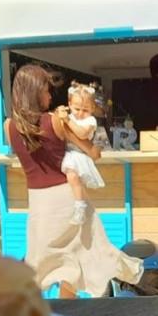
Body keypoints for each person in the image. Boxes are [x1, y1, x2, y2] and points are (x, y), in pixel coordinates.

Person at [5, 64, 142, 298]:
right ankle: (69, 311)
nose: (50, 96)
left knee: (41, 262)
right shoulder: (56, 121)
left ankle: (33, 313)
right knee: (80, 255)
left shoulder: (9, 126)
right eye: (46, 90)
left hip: (38, 202)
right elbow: (92, 152)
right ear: (36, 92)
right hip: (67, 196)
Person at [58, 82, 105, 225]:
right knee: (70, 181)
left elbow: (82, 134)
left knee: (72, 176)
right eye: (76, 108)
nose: (80, 113)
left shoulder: (90, 120)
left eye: (85, 110)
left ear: (92, 109)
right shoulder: (70, 117)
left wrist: (67, 120)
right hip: (68, 153)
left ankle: (80, 207)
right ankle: (75, 207)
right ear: (69, 104)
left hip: (79, 155)